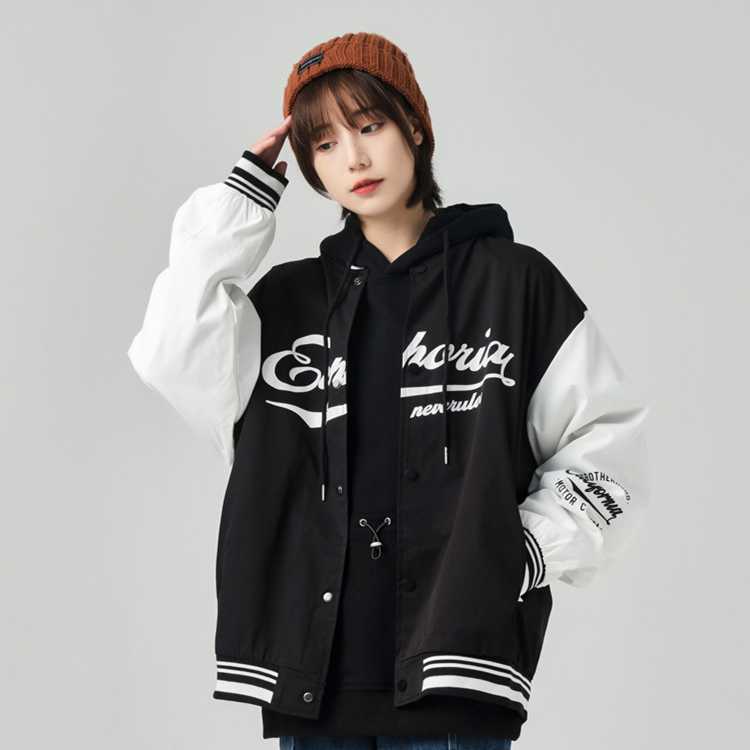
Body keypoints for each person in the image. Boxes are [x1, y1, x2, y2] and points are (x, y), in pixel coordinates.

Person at [127, 32, 651, 750]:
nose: (354, 158)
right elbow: (170, 353)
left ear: (414, 127)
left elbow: (608, 446)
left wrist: (516, 554)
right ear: (309, 167)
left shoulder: (514, 283)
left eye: (369, 126)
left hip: (457, 685)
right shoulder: (287, 304)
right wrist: (239, 200)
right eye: (324, 144)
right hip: (313, 688)